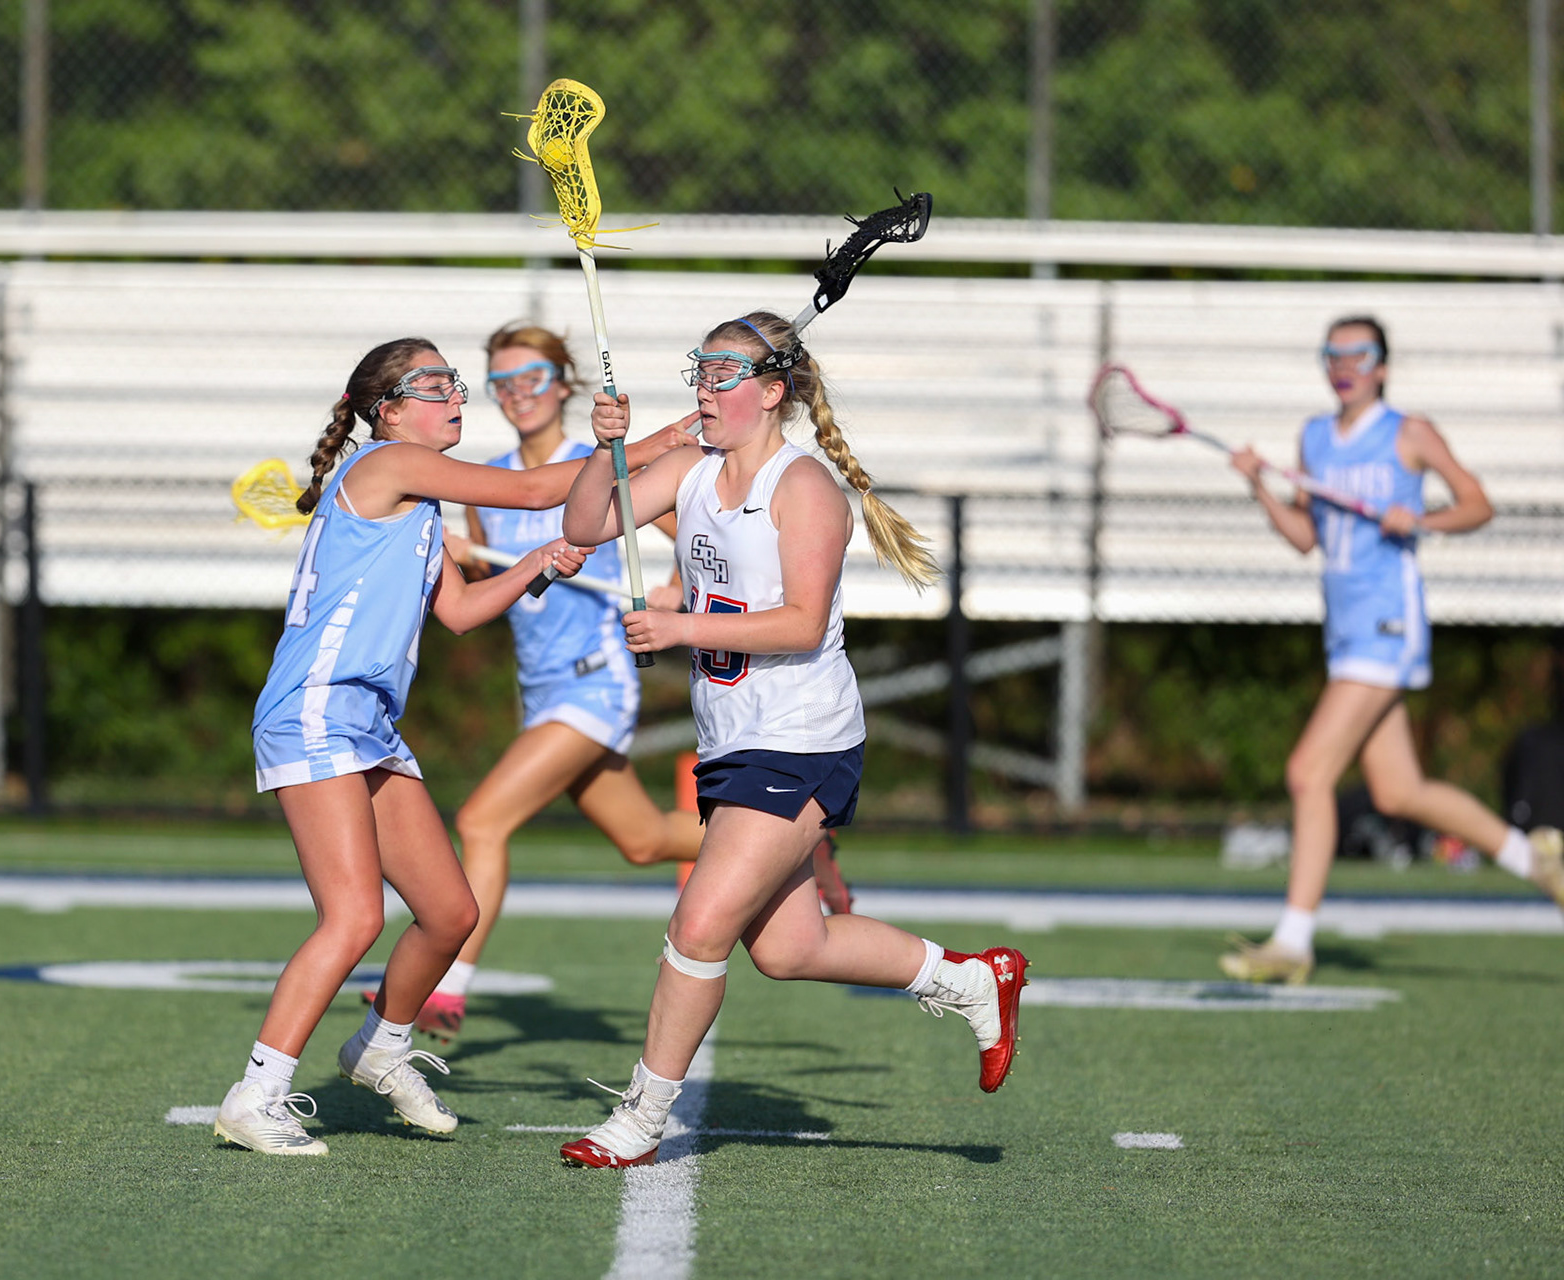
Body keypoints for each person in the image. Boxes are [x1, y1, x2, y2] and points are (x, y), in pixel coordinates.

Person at [555, 311, 1030, 1169]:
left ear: (773, 393)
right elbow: (589, 523)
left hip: (802, 737)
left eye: (723, 373)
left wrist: (678, 627)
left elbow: (804, 623)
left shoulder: (802, 486)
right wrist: (606, 448)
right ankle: (971, 979)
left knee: (698, 925)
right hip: (735, 737)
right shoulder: (693, 471)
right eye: (699, 369)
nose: (703, 386)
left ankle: (639, 1118)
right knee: (787, 947)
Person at [211, 337, 676, 1158]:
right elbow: (534, 486)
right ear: (387, 411)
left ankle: (380, 1049)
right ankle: (257, 1093)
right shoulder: (386, 466)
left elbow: (459, 613)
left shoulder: (418, 509)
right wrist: (660, 441)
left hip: (367, 723)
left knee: (451, 912)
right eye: (436, 384)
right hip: (316, 711)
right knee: (353, 916)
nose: (456, 395)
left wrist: (536, 563)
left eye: (452, 381)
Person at [388, 325, 852, 1045]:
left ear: (565, 384)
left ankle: (446, 989)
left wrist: (675, 594)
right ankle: (795, 844)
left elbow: (705, 539)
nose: (517, 395)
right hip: (541, 691)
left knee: (481, 821)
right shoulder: (489, 488)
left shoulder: (597, 459)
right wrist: (456, 563)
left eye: (533, 378)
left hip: (595, 685)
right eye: (502, 381)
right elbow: (506, 588)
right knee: (642, 841)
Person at [1221, 315, 1564, 985]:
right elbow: (1303, 536)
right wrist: (1258, 482)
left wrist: (1422, 520)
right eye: (1334, 353)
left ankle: (1293, 941)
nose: (1344, 364)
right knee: (1399, 791)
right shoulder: (1315, 439)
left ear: (1381, 365)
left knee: (1307, 773)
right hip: (1345, 632)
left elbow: (1478, 503)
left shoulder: (1410, 433)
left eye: (1359, 353)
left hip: (1388, 626)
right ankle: (1535, 859)